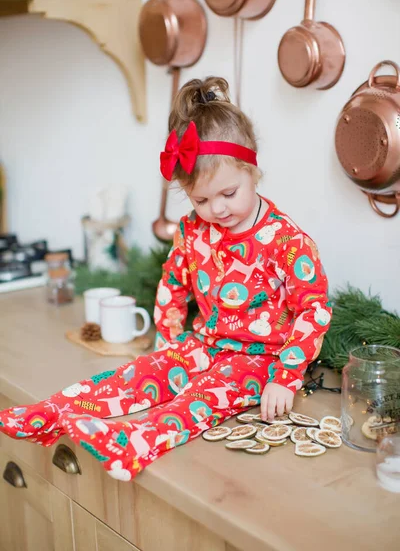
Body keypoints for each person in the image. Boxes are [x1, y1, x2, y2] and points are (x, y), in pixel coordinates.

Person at [0, 77, 331, 481]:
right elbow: (173, 284)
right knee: (138, 374)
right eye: (201, 200)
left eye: (228, 193)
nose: (217, 209)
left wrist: (286, 377)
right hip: (202, 345)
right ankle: (56, 412)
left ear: (253, 171)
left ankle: (132, 445)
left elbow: (312, 310)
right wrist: (170, 350)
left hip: (259, 362)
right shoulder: (193, 229)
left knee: (197, 400)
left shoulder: (286, 241)